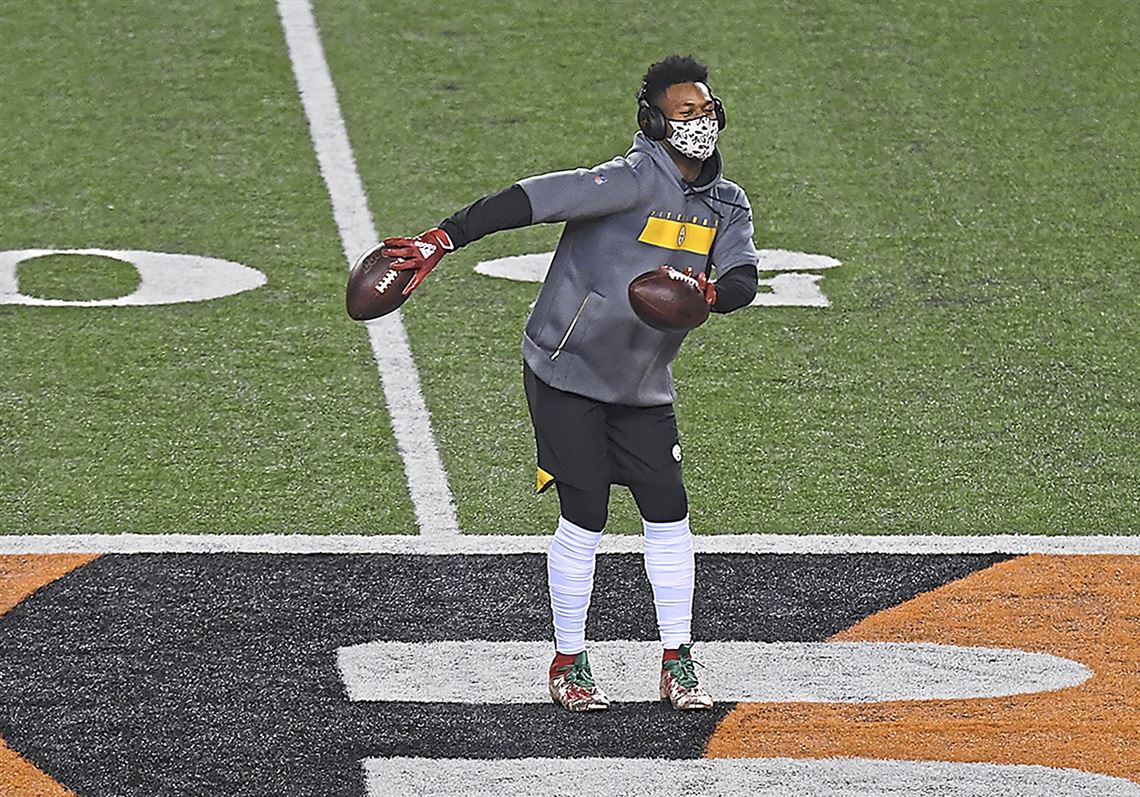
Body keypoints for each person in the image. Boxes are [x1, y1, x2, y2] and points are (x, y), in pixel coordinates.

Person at [379, 54, 758, 711]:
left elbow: (743, 278)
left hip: (644, 384)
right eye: (684, 112)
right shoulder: (628, 181)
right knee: (584, 514)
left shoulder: (726, 203)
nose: (699, 122)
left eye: (705, 110)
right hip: (567, 373)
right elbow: (531, 199)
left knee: (669, 513)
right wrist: (444, 238)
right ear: (654, 121)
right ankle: (569, 662)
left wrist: (711, 294)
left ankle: (678, 661)